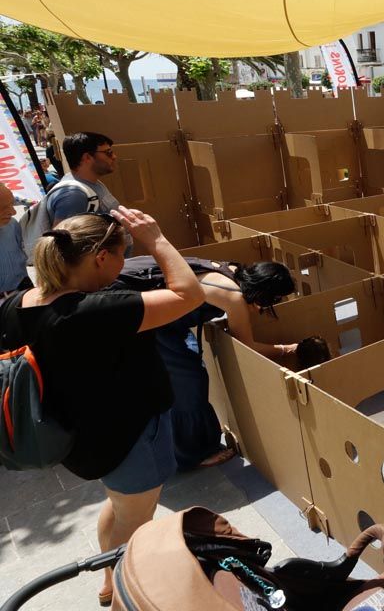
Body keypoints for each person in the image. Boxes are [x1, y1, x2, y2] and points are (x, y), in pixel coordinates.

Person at [1, 208, 205, 605]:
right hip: (126, 440)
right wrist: (157, 239)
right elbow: (188, 294)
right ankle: (124, 598)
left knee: (119, 506)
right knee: (137, 525)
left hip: (83, 441)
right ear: (100, 258)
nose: (125, 261)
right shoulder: (97, 311)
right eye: (122, 253)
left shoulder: (16, 304)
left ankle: (108, 576)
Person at [112, 256, 298, 472]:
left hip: (165, 319)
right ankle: (193, 454)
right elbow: (248, 345)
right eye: (275, 299)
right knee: (190, 383)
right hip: (155, 323)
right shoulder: (234, 296)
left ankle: (194, 435)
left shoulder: (231, 269)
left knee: (189, 369)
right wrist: (287, 349)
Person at [46, 131, 121, 225]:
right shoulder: (74, 196)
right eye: (108, 153)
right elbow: (66, 238)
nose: (114, 156)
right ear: (87, 157)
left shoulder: (91, 184)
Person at [0, 184, 29, 297]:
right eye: (4, 208)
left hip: (23, 292)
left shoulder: (12, 225)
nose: (13, 212)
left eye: (12, 205)